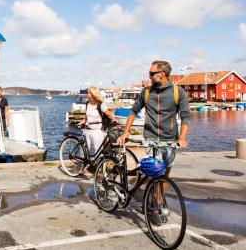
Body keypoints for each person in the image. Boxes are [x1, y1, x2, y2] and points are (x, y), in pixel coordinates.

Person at [117, 61, 190, 222]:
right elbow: (133, 111)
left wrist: (182, 138)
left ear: (162, 74)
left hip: (170, 139)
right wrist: (126, 132)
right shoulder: (147, 92)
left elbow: (185, 117)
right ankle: (155, 204)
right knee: (155, 171)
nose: (149, 76)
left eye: (151, 73)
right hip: (150, 138)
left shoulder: (178, 93)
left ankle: (158, 198)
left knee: (165, 174)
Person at [77, 86, 117, 155]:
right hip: (86, 131)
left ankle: (100, 165)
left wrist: (115, 121)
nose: (87, 94)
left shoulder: (100, 105)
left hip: (97, 131)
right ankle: (84, 165)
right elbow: (86, 118)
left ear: (93, 94)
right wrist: (80, 123)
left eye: (88, 92)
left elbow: (109, 114)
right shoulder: (87, 104)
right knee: (83, 153)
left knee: (98, 153)